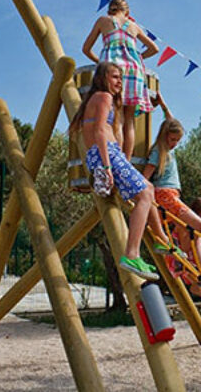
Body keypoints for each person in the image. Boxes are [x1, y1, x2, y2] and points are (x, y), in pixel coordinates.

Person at [69, 61, 171, 281]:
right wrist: (106, 166)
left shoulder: (98, 100)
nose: (119, 82)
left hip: (104, 154)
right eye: (115, 77)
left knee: (149, 189)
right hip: (106, 153)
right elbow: (98, 131)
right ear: (102, 78)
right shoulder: (103, 97)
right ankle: (132, 253)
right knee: (145, 194)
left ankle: (161, 240)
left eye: (121, 78)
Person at [141, 98, 201, 279]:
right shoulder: (159, 151)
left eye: (177, 141)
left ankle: (200, 270)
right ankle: (190, 264)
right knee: (198, 225)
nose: (174, 143)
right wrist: (143, 194)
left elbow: (170, 120)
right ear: (165, 136)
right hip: (164, 194)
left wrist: (163, 104)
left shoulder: (168, 148)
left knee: (194, 230)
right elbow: (145, 176)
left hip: (171, 195)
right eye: (172, 139)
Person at [82, 0, 159, 160]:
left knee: (117, 117)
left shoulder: (103, 21)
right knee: (129, 119)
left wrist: (100, 62)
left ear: (109, 9)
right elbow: (155, 48)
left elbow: (86, 49)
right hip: (134, 70)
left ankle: (115, 160)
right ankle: (127, 162)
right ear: (127, 12)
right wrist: (139, 58)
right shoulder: (133, 26)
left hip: (111, 70)